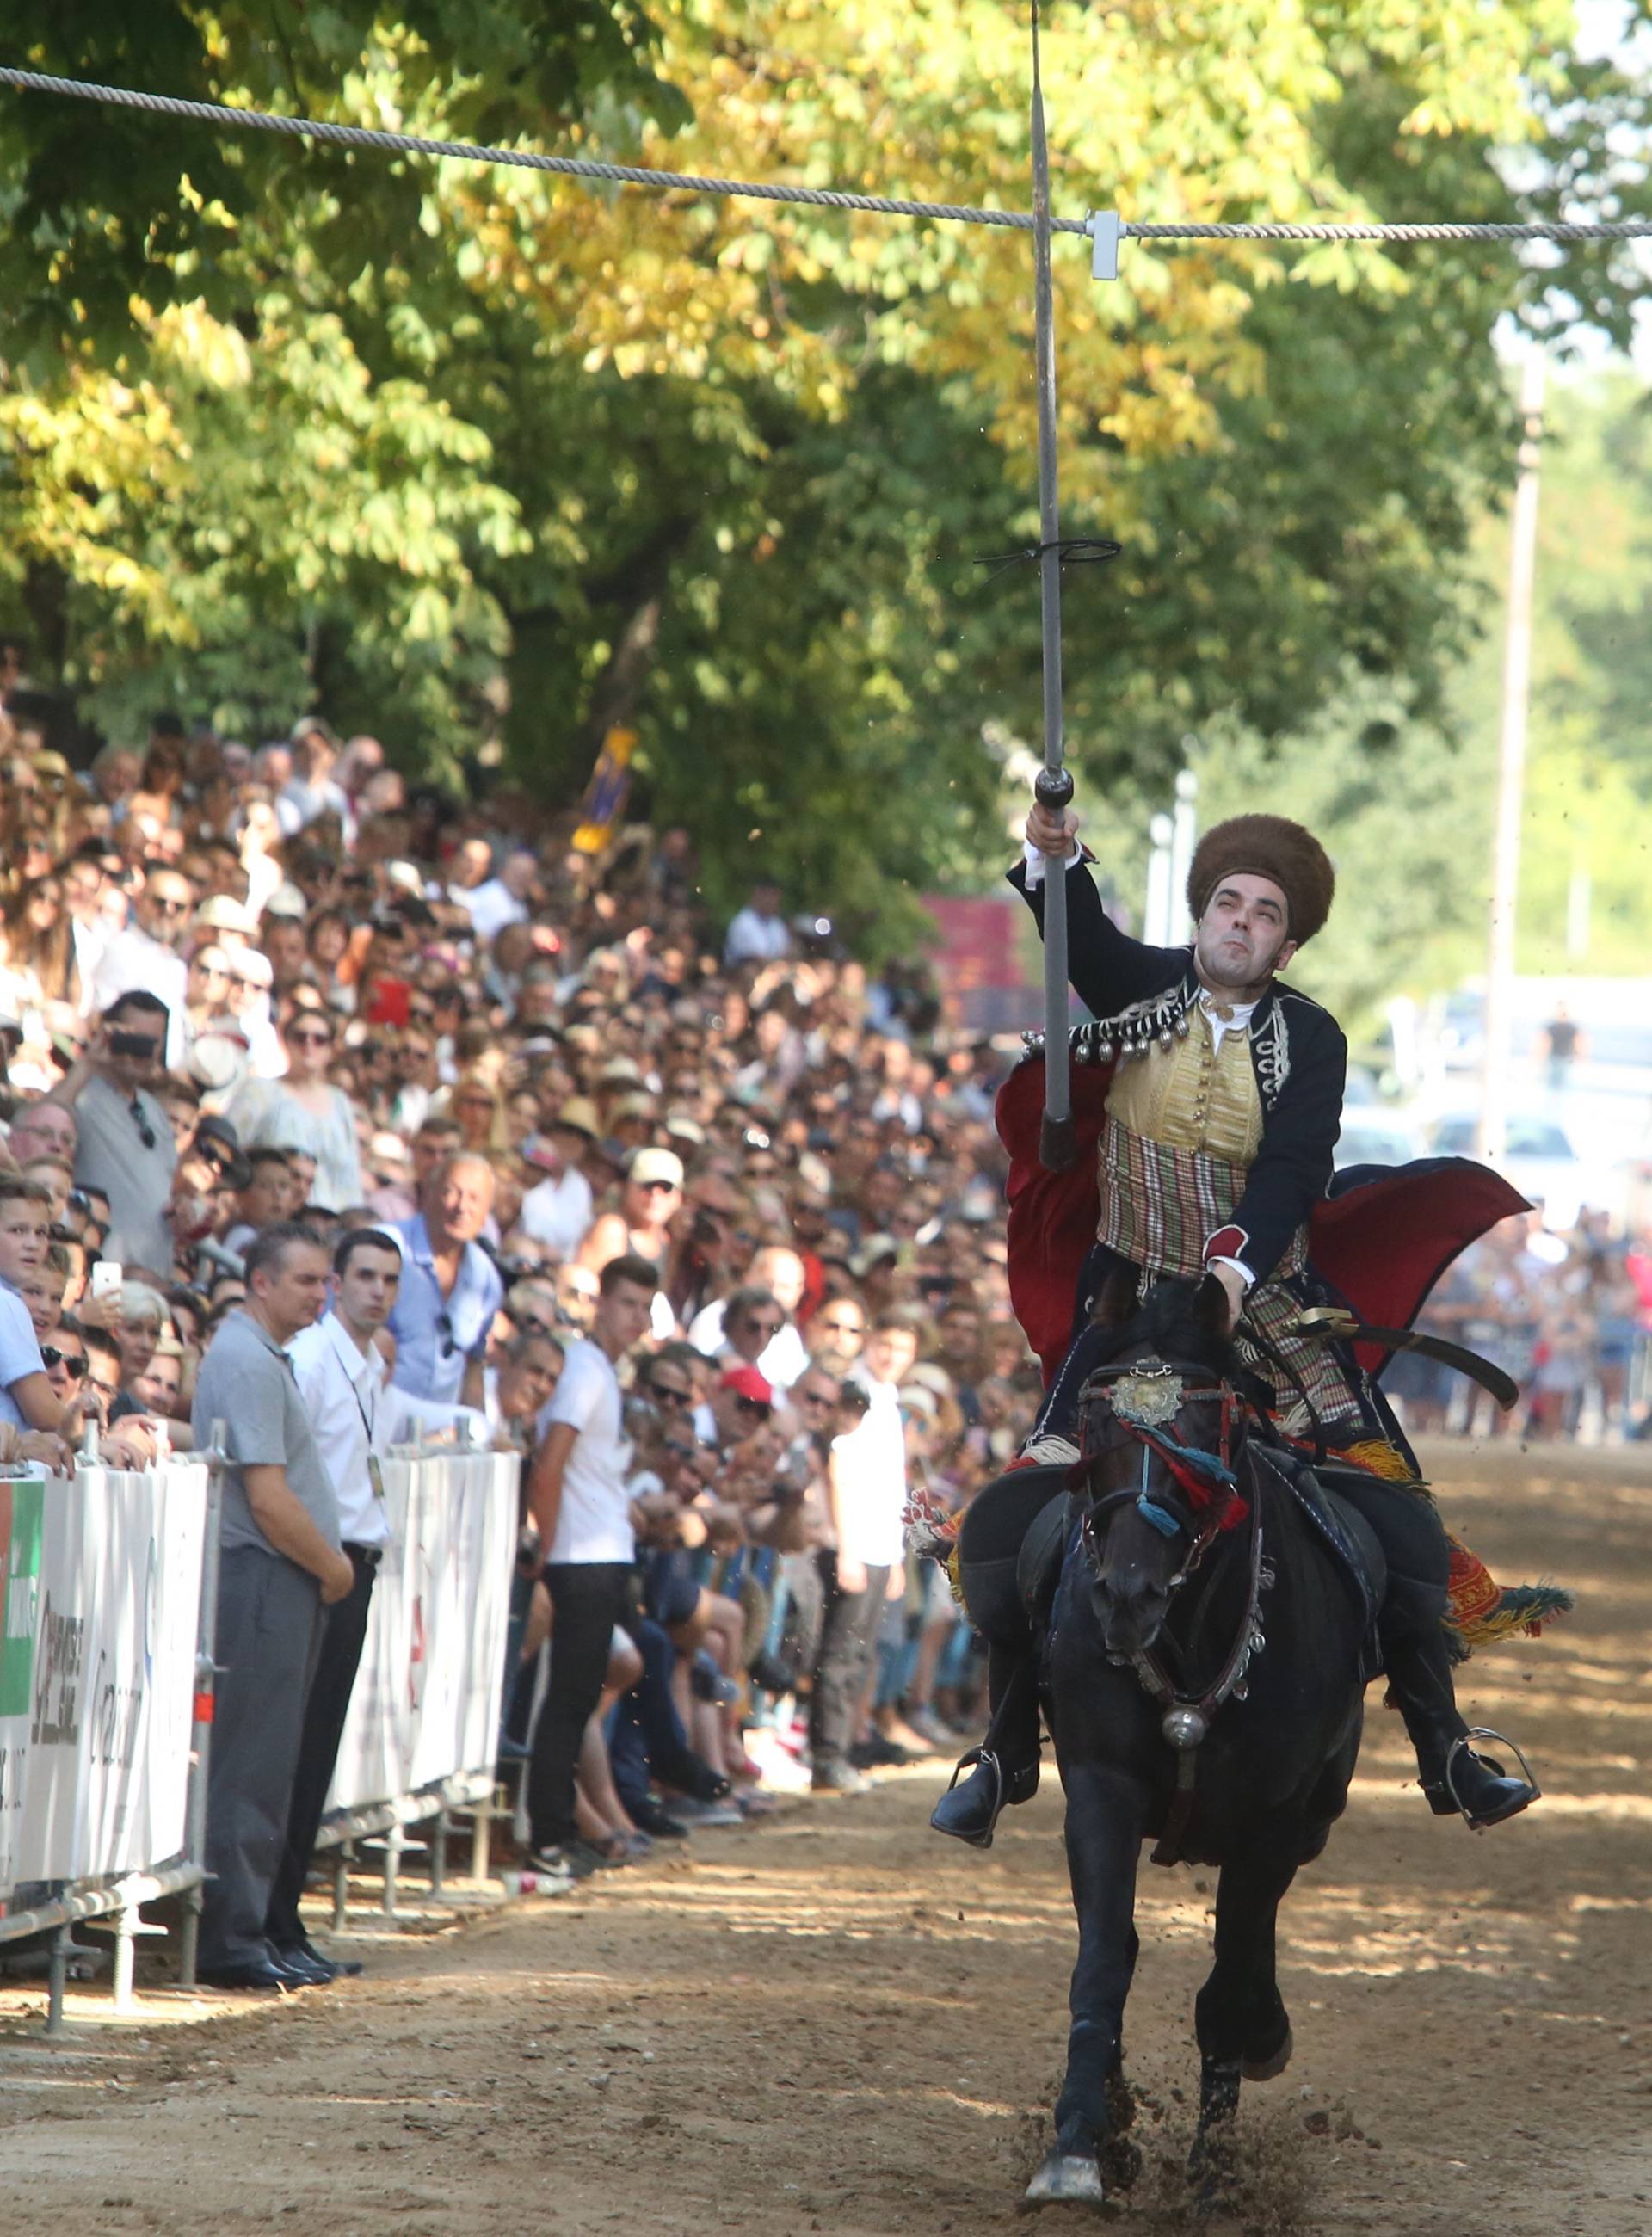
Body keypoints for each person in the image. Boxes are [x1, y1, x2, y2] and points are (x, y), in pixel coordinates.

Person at [933, 802, 1538, 1849]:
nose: (1241, 923)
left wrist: (1230, 1267)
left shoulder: (1314, 1037)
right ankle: (999, 1748)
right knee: (1034, 1498)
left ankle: (1446, 1744)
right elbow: (1076, 929)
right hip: (1127, 1309)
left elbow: (1297, 1169)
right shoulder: (1143, 987)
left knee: (1395, 1507)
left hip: (1267, 1304)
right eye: (1228, 903)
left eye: (1264, 914)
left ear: (1287, 943)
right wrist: (1052, 849)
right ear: (1202, 914)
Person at [191, 1222, 354, 1992]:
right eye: (307, 1281)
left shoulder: (260, 1355)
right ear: (261, 1281)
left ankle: (254, 1929)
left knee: (271, 1761)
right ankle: (233, 1939)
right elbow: (267, 1495)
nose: (321, 1295)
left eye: (325, 1281)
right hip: (265, 1576)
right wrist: (332, 1566)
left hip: (277, 1578)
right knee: (252, 1765)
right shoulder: (248, 1360)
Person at [270, 1228, 410, 1981]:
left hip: (352, 1562)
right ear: (335, 1282)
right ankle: (270, 1921)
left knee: (316, 1747)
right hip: (321, 1563)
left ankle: (285, 1920)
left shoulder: (367, 1364)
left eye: (389, 1279)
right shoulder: (315, 1359)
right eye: (363, 1276)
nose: (377, 1291)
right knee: (294, 1748)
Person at [522, 1253, 656, 1886]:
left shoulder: (596, 1367)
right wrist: (542, 1547)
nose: (638, 1316)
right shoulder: (584, 1370)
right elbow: (550, 1464)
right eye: (628, 1302)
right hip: (580, 1554)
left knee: (573, 1702)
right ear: (600, 1302)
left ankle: (561, 1830)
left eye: (646, 1305)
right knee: (566, 1704)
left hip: (595, 1548)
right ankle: (549, 1836)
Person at [46, 990, 178, 1274]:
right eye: (133, 1037)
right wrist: (92, 1059)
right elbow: (41, 1124)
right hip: (99, 1271)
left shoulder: (154, 1109)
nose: (141, 1050)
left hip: (153, 1273)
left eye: (152, 1042)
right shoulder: (82, 1095)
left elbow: (168, 1189)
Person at [386, 1152, 503, 1408]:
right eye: (451, 1192)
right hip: (374, 1412)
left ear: (487, 1213)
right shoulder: (386, 1250)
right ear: (428, 1194)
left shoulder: (486, 1278)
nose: (462, 1207)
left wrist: (475, 1430)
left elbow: (473, 1364)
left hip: (437, 1430)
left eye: (475, 1198)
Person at [229, 1006, 363, 1211]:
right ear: (286, 1042)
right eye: (300, 1037)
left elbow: (351, 1174)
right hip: (276, 1216)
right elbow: (230, 1150)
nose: (309, 1044)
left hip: (334, 1220)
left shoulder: (340, 1102)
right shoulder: (259, 1091)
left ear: (331, 1048)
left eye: (319, 1039)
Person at [89, 866, 193, 1067]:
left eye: (178, 907)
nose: (168, 911)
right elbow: (105, 1018)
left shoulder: (177, 966)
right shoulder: (121, 948)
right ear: (138, 902)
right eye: (159, 902)